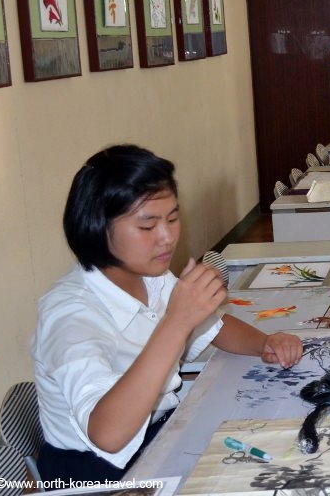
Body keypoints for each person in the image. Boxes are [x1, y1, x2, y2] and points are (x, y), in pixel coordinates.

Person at [32, 145, 304, 483]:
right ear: (98, 227)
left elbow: (213, 327)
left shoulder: (152, 276)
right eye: (148, 227)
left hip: (161, 432)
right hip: (99, 474)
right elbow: (107, 434)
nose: (167, 238)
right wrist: (175, 323)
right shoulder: (69, 315)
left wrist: (265, 343)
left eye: (173, 218)